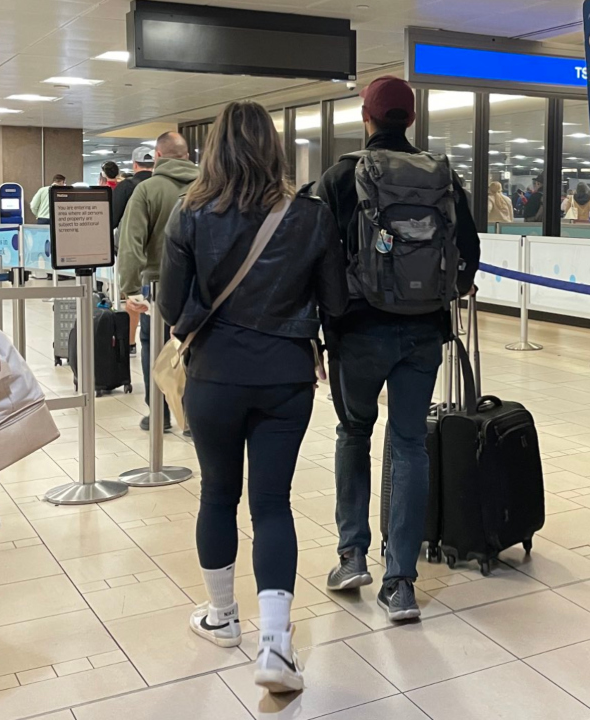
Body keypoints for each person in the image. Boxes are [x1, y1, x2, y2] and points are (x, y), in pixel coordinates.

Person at [160, 100, 347, 693]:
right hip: (286, 377)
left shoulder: (188, 214)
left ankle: (221, 619)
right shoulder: (310, 215)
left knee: (218, 495)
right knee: (272, 504)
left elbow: (171, 306)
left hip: (214, 376)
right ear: (273, 148)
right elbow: (336, 305)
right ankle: (275, 646)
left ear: (212, 150)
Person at [318, 76, 480, 621]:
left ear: (366, 117)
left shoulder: (342, 177)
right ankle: (401, 584)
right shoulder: (442, 177)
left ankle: (352, 555)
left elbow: (318, 257)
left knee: (353, 433)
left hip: (359, 331)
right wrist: (437, 297)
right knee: (410, 443)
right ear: (409, 120)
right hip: (423, 331)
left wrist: (329, 322)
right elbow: (469, 252)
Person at [117, 131, 198, 433]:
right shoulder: (211, 188)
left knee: (156, 347)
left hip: (159, 287)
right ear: (187, 156)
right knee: (195, 348)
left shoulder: (147, 190)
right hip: (203, 288)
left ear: (158, 157)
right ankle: (192, 418)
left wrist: (130, 289)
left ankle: (160, 414)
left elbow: (131, 243)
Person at [112, 146, 157, 356]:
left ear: (134, 164)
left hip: (134, 250)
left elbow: (111, 219)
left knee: (134, 298)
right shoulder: (161, 185)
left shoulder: (127, 187)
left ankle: (130, 343)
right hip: (163, 254)